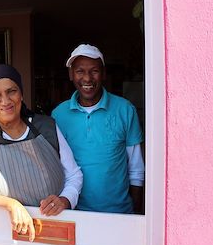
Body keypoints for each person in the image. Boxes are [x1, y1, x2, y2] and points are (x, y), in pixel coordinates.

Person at [0, 64, 83, 242]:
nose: (5, 101)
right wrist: (10, 204)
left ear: (21, 94)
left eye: (12, 91)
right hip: (1, 236)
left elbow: (74, 175)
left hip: (56, 231)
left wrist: (64, 200)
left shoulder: (46, 126)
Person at [51, 44, 144, 214]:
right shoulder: (58, 115)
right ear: (71, 74)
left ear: (104, 74)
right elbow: (55, 167)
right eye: (80, 71)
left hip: (119, 213)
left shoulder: (125, 109)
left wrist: (136, 215)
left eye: (94, 71)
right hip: (75, 212)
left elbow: (136, 169)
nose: (87, 78)